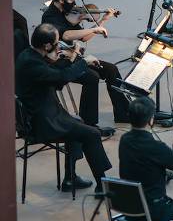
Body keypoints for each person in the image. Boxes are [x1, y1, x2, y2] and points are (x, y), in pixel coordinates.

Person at [15, 24, 112, 193]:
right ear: (47, 45)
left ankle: (70, 178)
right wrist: (83, 62)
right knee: (92, 133)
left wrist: (72, 58)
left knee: (78, 123)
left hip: (45, 114)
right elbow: (60, 77)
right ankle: (103, 186)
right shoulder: (33, 64)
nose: (59, 45)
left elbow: (54, 78)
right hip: (43, 123)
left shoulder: (29, 55)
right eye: (56, 42)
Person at [41, 0, 128, 129]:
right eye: (72, 1)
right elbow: (66, 35)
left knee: (110, 69)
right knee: (91, 77)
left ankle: (123, 113)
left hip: (73, 56)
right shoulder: (50, 17)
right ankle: (89, 124)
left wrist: (102, 21)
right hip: (58, 62)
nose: (75, 4)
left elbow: (83, 37)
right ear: (61, 1)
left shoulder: (67, 13)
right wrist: (94, 30)